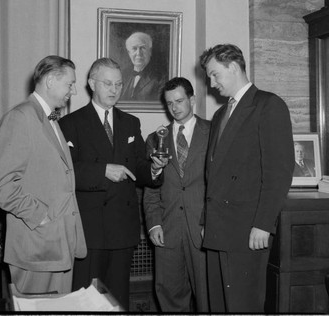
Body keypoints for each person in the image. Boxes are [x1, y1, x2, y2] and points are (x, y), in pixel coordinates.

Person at [59, 57, 168, 310]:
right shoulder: (70, 123)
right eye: (108, 83)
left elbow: (139, 167)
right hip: (89, 230)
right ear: (91, 84)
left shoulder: (130, 122)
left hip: (122, 229)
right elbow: (65, 172)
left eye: (119, 84)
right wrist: (102, 171)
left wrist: (153, 168)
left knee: (118, 302)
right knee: (86, 302)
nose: (114, 90)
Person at [199, 44, 295, 313]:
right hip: (218, 228)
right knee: (219, 305)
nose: (211, 83)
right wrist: (206, 219)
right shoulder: (220, 114)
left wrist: (264, 224)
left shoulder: (268, 105)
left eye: (215, 74)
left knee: (244, 306)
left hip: (248, 228)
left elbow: (279, 171)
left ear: (233, 66)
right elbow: (213, 174)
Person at [0, 55, 86, 295]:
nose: (73, 91)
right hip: (38, 245)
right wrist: (41, 216)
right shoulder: (20, 118)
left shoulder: (49, 117)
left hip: (57, 244)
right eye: (70, 84)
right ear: (51, 80)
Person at [143, 77, 210, 312]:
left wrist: (211, 222)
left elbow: (220, 186)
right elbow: (151, 187)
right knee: (170, 298)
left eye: (179, 100)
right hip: (168, 231)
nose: (174, 107)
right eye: (169, 102)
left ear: (192, 100)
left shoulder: (213, 133)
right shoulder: (155, 139)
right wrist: (153, 225)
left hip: (204, 231)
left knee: (208, 298)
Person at [120, 32, 167, 102]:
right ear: (129, 53)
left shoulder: (161, 79)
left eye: (142, 48)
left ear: (150, 51)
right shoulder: (122, 76)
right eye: (134, 48)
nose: (138, 53)